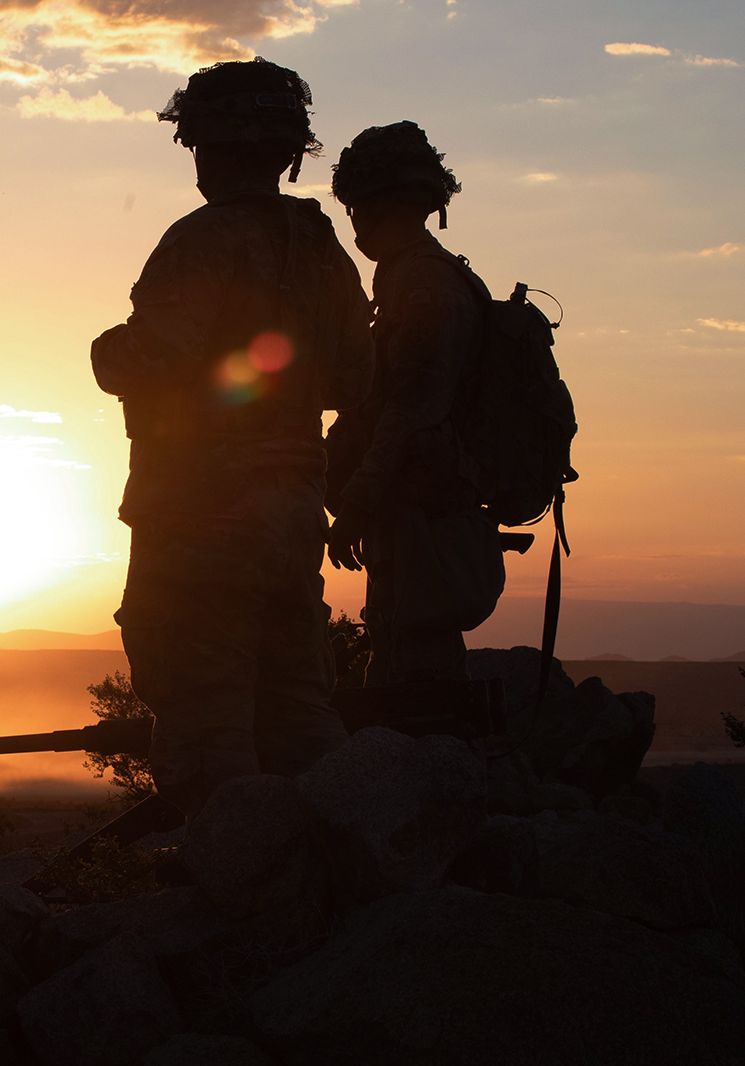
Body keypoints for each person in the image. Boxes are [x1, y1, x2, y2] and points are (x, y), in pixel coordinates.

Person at [89, 58, 374, 816]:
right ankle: (348, 855)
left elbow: (151, 355)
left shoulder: (203, 239)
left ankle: (240, 870)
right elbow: (354, 378)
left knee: (203, 717)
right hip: (293, 508)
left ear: (207, 147)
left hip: (202, 511)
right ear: (287, 153)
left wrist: (106, 351)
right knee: (296, 707)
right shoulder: (322, 249)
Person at [324, 121, 506, 686]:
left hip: (422, 513)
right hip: (410, 509)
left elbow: (409, 411)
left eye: (356, 206)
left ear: (375, 204)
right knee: (403, 652)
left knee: (414, 676)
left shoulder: (425, 285)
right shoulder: (410, 278)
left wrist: (356, 504)